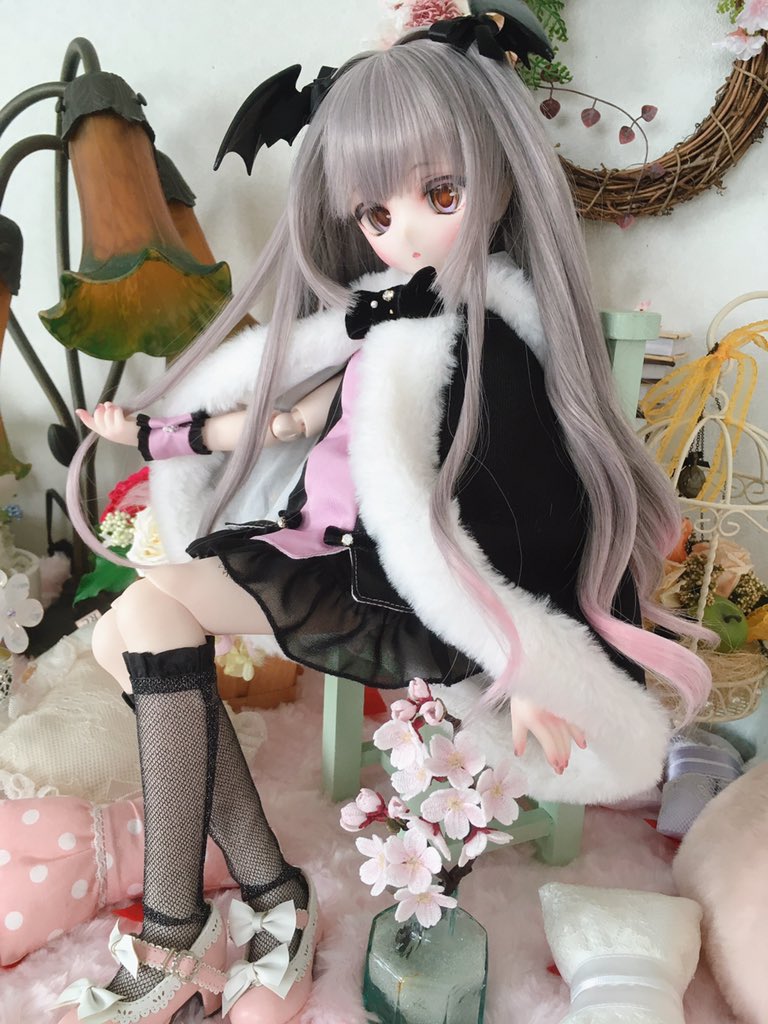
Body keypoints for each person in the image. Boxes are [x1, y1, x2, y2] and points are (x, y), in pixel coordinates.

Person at [58, 10, 711, 1024]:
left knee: (139, 627)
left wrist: (521, 666)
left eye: (440, 195)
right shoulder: (377, 320)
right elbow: (283, 417)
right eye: (374, 212)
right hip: (334, 549)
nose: (402, 232)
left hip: (412, 590)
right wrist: (155, 435)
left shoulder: (494, 343)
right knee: (126, 635)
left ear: (496, 182)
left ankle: (182, 931)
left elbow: (520, 516)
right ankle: (269, 895)